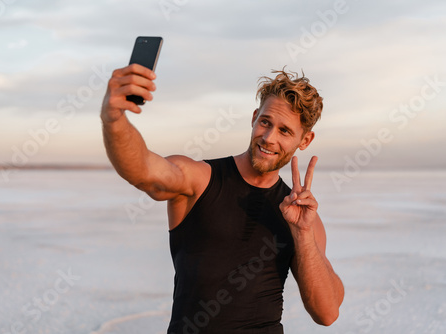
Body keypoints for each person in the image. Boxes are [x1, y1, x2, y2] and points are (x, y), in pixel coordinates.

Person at [100, 64, 344, 333]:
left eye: (284, 131)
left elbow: (327, 312)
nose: (269, 137)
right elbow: (143, 170)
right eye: (265, 122)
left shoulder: (301, 216)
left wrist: (303, 233)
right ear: (254, 118)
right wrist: (114, 119)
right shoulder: (201, 180)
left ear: (305, 139)